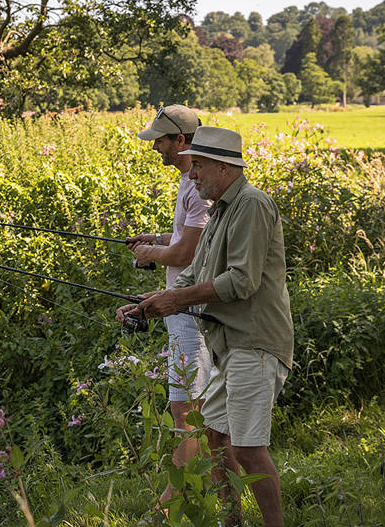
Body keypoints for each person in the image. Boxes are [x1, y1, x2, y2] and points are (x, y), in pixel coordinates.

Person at [117, 126, 294, 527]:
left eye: (198, 165)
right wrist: (146, 306)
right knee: (213, 437)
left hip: (256, 343)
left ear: (222, 166)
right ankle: (233, 521)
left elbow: (241, 282)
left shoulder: (251, 204)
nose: (191, 173)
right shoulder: (219, 212)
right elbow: (192, 273)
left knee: (249, 449)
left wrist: (176, 301)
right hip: (229, 346)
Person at [126, 105, 212, 509]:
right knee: (186, 409)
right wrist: (156, 238)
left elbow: (188, 251)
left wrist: (151, 254)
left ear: (181, 140)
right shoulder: (188, 181)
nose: (155, 146)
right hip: (178, 308)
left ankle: (172, 503)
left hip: (191, 314)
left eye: (160, 139)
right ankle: (200, 495)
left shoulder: (200, 185)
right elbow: (183, 236)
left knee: (187, 412)